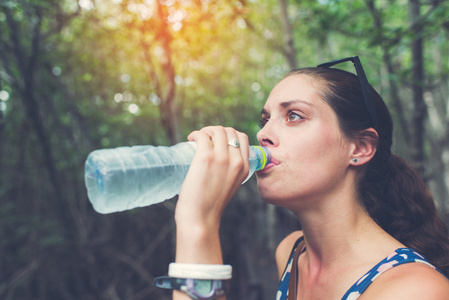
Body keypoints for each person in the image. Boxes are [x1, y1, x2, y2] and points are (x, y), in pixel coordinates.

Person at [164, 57, 449, 300]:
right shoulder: (291, 252)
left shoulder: (415, 290)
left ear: (360, 148)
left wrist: (198, 222)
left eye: (294, 116)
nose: (262, 134)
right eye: (266, 120)